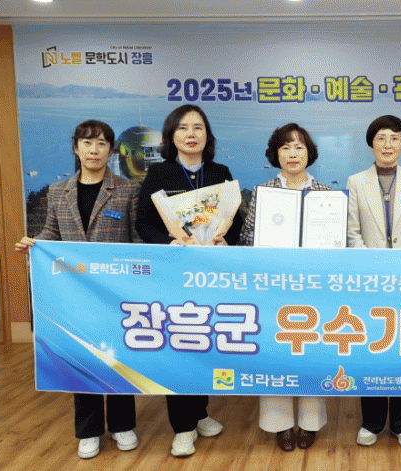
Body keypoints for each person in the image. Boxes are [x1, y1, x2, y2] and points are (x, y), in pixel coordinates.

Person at [15, 120, 141, 459]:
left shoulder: (127, 190)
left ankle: (122, 425)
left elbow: (137, 241)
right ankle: (88, 431)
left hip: (114, 294)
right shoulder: (59, 192)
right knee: (81, 358)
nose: (94, 150)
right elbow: (51, 234)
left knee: (117, 357)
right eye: (87, 143)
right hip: (73, 294)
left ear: (111, 151)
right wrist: (34, 244)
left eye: (101, 144)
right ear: (76, 148)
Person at [136, 104, 244, 456]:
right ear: (172, 136)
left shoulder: (220, 172)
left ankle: (199, 413)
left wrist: (226, 240)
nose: (191, 134)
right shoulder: (159, 174)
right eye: (183, 128)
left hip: (212, 275)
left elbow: (236, 220)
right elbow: (143, 224)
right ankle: (182, 427)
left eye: (198, 127)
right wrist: (169, 243)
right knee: (180, 344)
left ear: (207, 135)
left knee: (205, 342)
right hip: (174, 274)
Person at [240, 123, 330, 451]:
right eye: (285, 147)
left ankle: (310, 422)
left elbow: (337, 246)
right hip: (273, 288)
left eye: (299, 147)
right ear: (275, 154)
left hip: (312, 288)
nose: (292, 154)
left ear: (309, 153)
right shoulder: (262, 193)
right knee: (276, 352)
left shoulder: (325, 194)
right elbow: (247, 239)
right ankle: (279, 424)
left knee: (310, 351)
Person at [347, 115, 401, 448]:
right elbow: (352, 233)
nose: (388, 144)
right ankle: (371, 422)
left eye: (395, 138)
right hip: (369, 281)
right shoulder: (356, 181)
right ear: (371, 144)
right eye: (381, 138)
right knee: (372, 349)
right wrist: (373, 267)